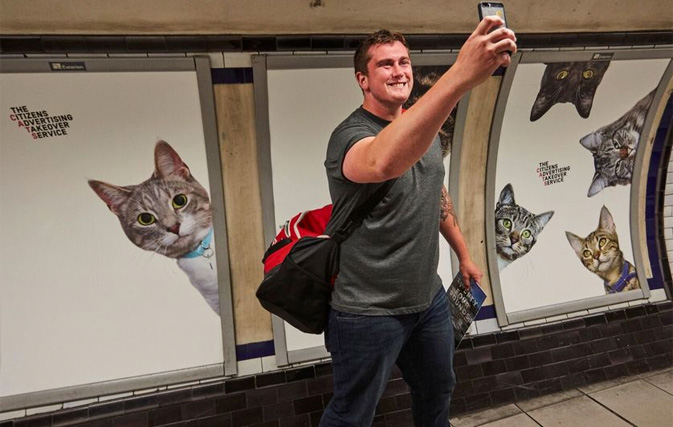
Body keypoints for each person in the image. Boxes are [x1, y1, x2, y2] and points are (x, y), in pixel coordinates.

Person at [320, 17, 517, 427]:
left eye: (404, 62)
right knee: (352, 414)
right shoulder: (350, 136)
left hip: (428, 302)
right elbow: (383, 161)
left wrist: (464, 254)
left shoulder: (425, 133)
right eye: (385, 64)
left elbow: (435, 195)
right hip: (368, 312)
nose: (399, 71)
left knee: (437, 391)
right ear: (363, 79)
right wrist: (460, 76)